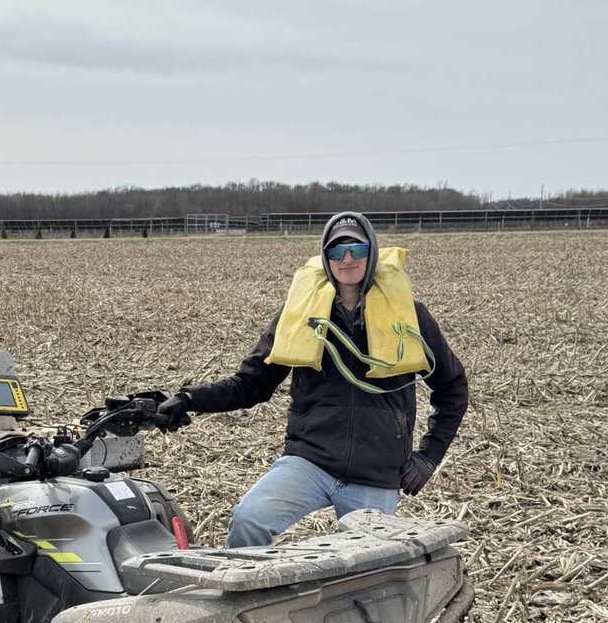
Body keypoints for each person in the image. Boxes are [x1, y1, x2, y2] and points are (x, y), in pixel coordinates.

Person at [156, 210, 468, 548]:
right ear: (326, 258)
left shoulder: (409, 315)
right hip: (310, 461)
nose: (347, 259)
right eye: (336, 251)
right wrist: (189, 399)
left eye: (357, 250)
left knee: (363, 569)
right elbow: (251, 384)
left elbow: (452, 387)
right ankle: (252, 600)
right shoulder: (302, 314)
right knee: (248, 519)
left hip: (376, 473)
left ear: (372, 253)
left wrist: (428, 457)